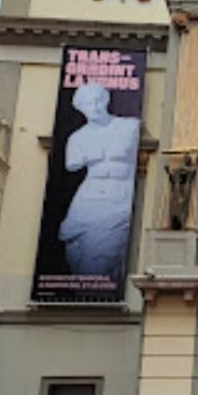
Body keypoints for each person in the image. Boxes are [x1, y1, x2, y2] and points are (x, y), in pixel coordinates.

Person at [58, 83, 140, 284]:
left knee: (98, 263)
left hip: (118, 199)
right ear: (80, 108)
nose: (94, 107)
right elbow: (72, 164)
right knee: (77, 259)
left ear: (106, 100)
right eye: (87, 103)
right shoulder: (77, 138)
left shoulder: (130, 127)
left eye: (97, 101)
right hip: (87, 201)